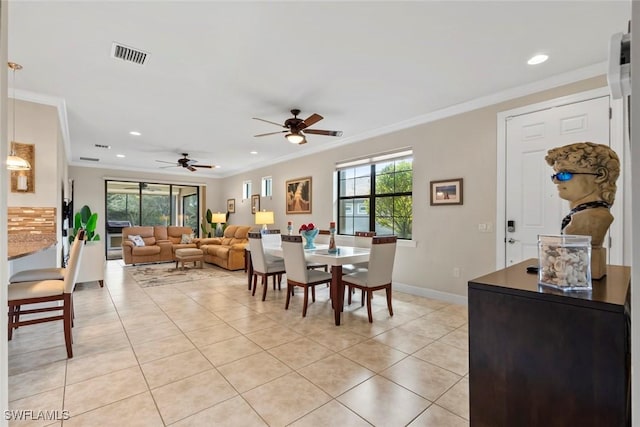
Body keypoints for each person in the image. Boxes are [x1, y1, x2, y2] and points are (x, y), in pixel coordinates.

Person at [545, 142, 620, 279]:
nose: (556, 181)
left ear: (599, 175)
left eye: (565, 174)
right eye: (555, 175)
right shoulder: (578, 215)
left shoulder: (594, 218)